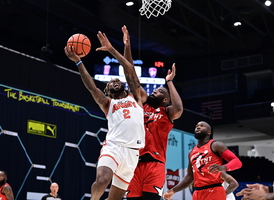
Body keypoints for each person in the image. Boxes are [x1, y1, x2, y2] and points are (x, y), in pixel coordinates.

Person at [64, 31, 145, 200]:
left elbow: (129, 69)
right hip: (114, 147)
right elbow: (92, 87)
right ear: (108, 91)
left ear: (124, 86)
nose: (114, 82)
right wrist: (78, 62)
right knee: (102, 181)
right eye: (110, 83)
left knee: (114, 198)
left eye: (117, 81)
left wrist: (111, 49)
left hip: (132, 153)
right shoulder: (108, 103)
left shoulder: (136, 97)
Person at [119, 25, 183, 200]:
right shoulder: (142, 103)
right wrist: (127, 47)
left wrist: (169, 82)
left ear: (165, 100)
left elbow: (178, 109)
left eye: (161, 92)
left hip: (155, 164)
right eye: (156, 89)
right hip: (134, 163)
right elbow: (130, 74)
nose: (156, 91)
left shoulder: (166, 112)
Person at [163, 121, 242, 200]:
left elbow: (237, 161)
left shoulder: (216, 145)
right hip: (197, 192)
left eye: (202, 126)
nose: (198, 127)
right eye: (197, 126)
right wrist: (173, 190)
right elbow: (190, 176)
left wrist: (223, 167)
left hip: (214, 189)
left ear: (209, 132)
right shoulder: (191, 152)